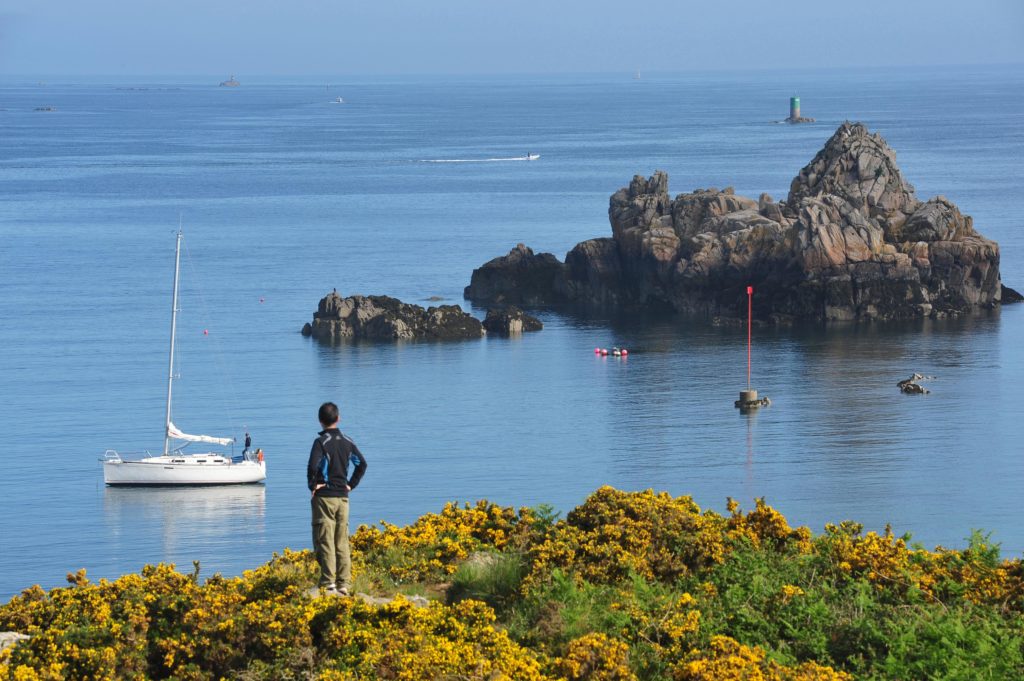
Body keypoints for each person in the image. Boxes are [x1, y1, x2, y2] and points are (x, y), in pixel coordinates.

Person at [307, 401, 368, 596]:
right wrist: (350, 485)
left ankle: (328, 581)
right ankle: (344, 582)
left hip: (325, 498)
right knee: (342, 540)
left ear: (320, 420)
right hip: (343, 498)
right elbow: (362, 464)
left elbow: (313, 466)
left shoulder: (321, 442)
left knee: (325, 539)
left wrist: (313, 485)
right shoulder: (348, 441)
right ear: (338, 418)